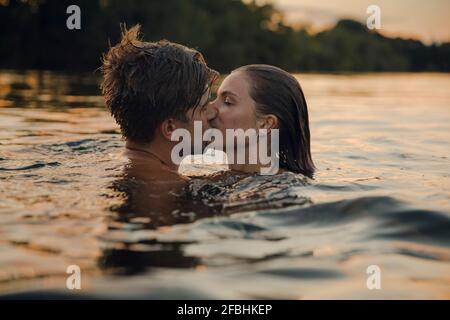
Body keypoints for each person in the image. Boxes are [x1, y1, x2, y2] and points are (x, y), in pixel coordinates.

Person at [207, 64, 315, 178]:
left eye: (228, 102)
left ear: (265, 124)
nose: (210, 109)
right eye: (215, 98)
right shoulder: (223, 180)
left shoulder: (269, 190)